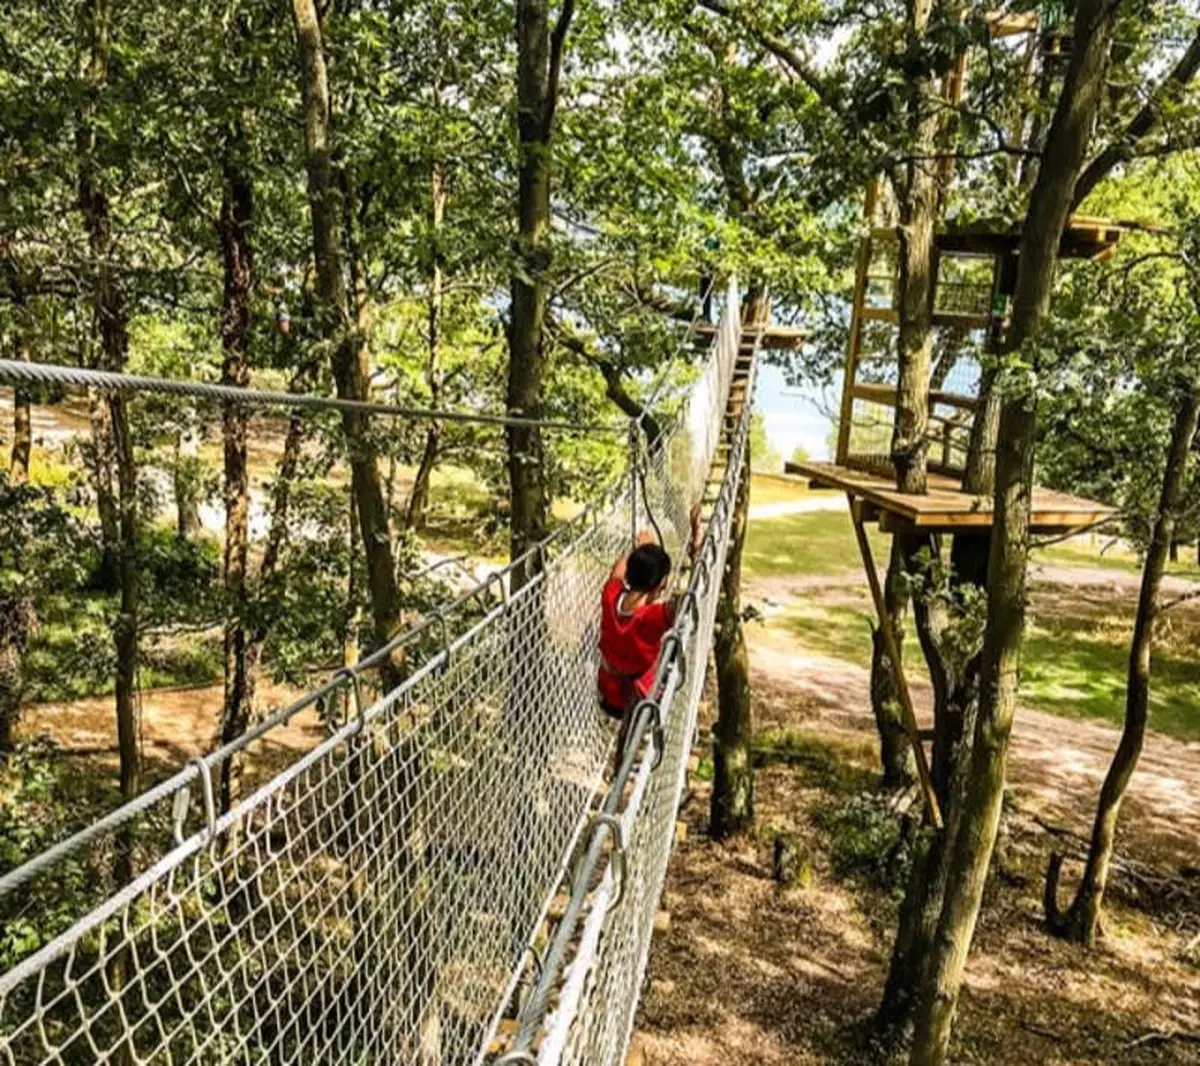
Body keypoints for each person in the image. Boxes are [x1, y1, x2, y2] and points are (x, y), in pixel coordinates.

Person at [598, 505, 703, 767]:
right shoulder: (651, 618)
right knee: (670, 653)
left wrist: (640, 551)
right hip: (641, 696)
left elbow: (618, 570)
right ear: (661, 584)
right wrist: (696, 539)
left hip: (609, 694)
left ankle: (622, 760)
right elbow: (694, 593)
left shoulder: (611, 596)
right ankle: (628, 760)